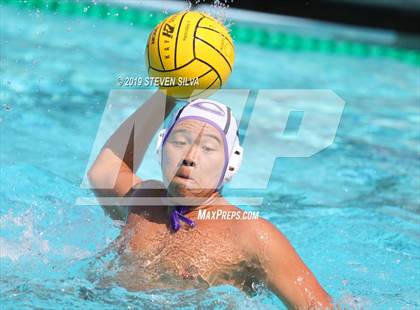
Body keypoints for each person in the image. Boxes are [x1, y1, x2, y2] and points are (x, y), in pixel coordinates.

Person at [88, 91, 334, 309]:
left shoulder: (251, 235)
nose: (190, 157)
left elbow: (316, 306)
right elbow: (103, 172)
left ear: (232, 164)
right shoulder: (145, 202)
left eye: (208, 148)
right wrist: (168, 95)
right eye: (180, 142)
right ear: (161, 147)